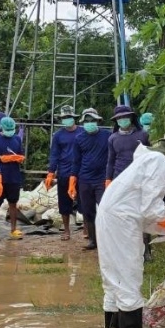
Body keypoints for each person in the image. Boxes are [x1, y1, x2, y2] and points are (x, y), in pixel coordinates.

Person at [97, 133, 165, 328]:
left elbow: (144, 211)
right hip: (122, 219)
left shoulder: (147, 159)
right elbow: (150, 207)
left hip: (111, 215)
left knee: (113, 273)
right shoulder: (160, 161)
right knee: (129, 272)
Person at [73, 107, 110, 251]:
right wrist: (73, 180)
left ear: (98, 121)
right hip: (85, 179)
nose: (89, 123)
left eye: (92, 120)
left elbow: (112, 158)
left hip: (102, 179)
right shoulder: (79, 139)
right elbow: (76, 161)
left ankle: (107, 240)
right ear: (83, 122)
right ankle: (93, 241)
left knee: (105, 209)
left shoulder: (107, 136)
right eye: (87, 121)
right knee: (88, 212)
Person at [45, 105, 83, 241]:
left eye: (69, 117)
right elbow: (54, 155)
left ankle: (87, 229)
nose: (67, 119)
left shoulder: (82, 132)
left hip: (81, 172)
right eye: (64, 117)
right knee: (64, 203)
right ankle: (66, 230)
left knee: (84, 201)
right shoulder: (58, 135)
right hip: (64, 172)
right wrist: (51, 172)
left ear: (74, 117)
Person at [0, 116, 25, 241]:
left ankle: (13, 229)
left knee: (13, 203)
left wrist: (19, 158)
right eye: (7, 129)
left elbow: (20, 153)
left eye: (12, 129)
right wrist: (2, 158)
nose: (10, 131)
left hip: (14, 176)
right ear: (1, 128)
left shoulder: (17, 139)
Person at [106, 104, 149, 182]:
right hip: (119, 176)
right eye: (119, 117)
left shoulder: (143, 134)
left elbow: (151, 155)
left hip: (140, 175)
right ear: (116, 120)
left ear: (131, 118)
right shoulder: (112, 138)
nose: (122, 119)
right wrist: (108, 179)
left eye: (125, 116)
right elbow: (111, 161)